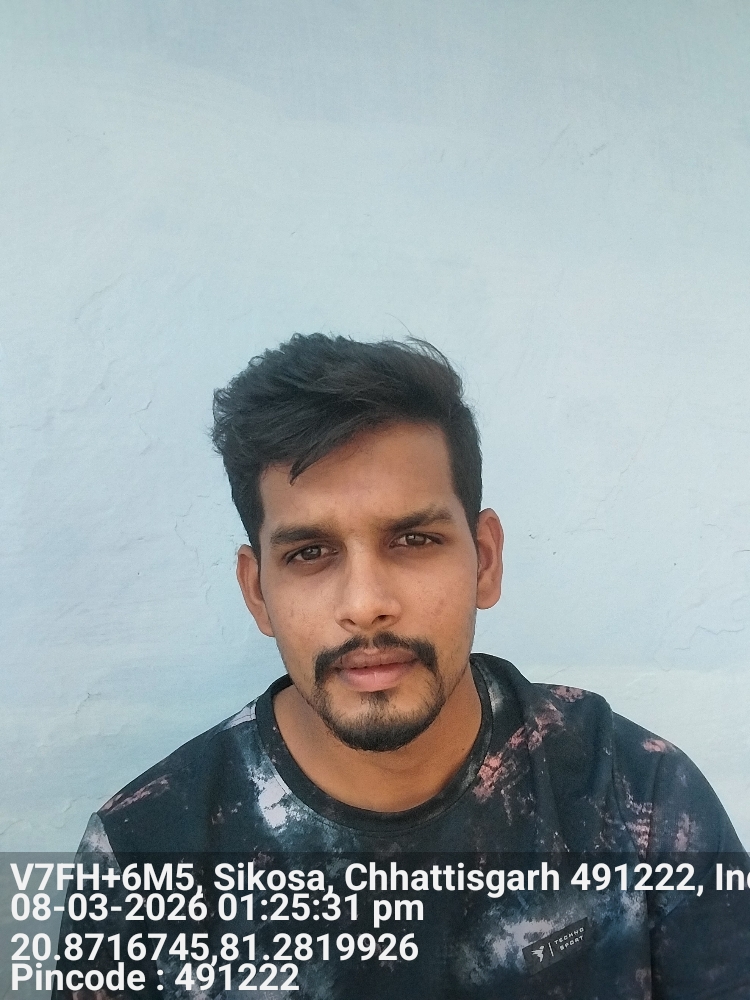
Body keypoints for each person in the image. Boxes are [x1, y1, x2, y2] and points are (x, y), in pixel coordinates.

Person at [58, 334, 748, 998]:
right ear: (257, 591)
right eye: (309, 553)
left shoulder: (637, 797)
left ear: (484, 560)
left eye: (414, 539)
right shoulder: (142, 856)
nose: (366, 605)